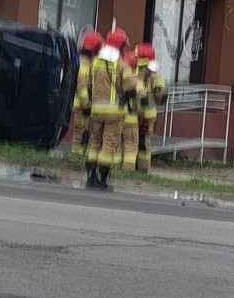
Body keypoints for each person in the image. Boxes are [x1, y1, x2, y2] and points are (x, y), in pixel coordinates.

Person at [85, 27, 136, 191]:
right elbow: (130, 88)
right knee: (107, 146)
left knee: (93, 142)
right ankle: (102, 180)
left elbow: (88, 85)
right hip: (114, 112)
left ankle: (90, 178)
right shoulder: (122, 65)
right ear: (120, 47)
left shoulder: (94, 63)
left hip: (96, 110)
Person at [133, 42, 167, 174]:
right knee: (143, 141)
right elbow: (161, 94)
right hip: (147, 113)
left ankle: (140, 168)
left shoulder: (139, 72)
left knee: (139, 141)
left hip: (140, 113)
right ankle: (142, 168)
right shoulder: (154, 74)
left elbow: (160, 92)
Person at [71, 31, 103, 162]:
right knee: (80, 136)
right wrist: (85, 105)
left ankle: (80, 159)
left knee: (85, 135)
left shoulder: (85, 62)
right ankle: (76, 160)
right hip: (81, 108)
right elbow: (82, 86)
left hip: (84, 106)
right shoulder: (84, 65)